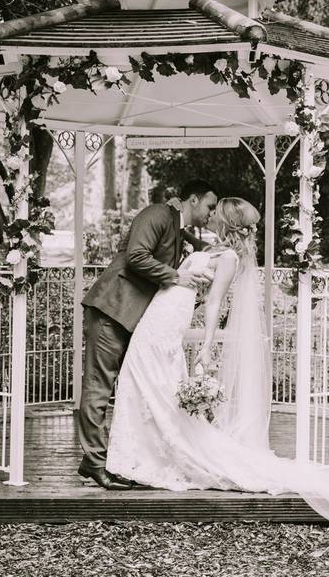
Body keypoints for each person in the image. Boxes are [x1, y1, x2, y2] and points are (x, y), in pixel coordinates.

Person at [105, 197, 329, 546]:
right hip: (159, 315)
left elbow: (213, 301)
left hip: (166, 321)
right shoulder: (210, 247)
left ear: (227, 221)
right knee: (142, 382)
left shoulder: (229, 257)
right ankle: (139, 454)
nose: (211, 212)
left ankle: (145, 457)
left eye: (217, 210)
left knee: (150, 383)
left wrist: (207, 345)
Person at [77, 179, 218, 490]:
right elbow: (137, 257)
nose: (212, 213)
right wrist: (177, 276)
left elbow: (196, 244)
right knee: (98, 388)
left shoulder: (178, 228)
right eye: (210, 205)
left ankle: (108, 460)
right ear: (192, 200)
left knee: (125, 388)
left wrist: (229, 249)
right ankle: (95, 463)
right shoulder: (156, 214)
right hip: (112, 310)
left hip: (133, 319)